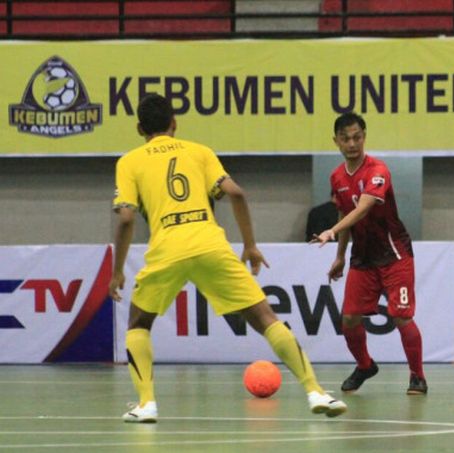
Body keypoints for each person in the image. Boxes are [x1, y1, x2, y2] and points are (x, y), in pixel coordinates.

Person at [109, 93, 347, 423]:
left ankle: (146, 403)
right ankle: (316, 391)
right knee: (266, 319)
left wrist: (117, 271)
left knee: (138, 324)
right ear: (174, 123)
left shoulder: (130, 162)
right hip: (210, 244)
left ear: (139, 128)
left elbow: (125, 219)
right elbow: (235, 192)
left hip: (167, 249)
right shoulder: (200, 152)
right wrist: (249, 245)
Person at [310, 112, 427, 395]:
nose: (352, 143)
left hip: (393, 253)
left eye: (357, 137)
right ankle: (365, 365)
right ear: (336, 141)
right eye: (346, 138)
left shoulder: (378, 170)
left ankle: (417, 376)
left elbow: (363, 208)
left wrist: (331, 231)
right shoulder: (336, 176)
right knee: (349, 318)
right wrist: (340, 256)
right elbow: (344, 210)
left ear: (364, 137)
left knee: (401, 316)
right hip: (362, 257)